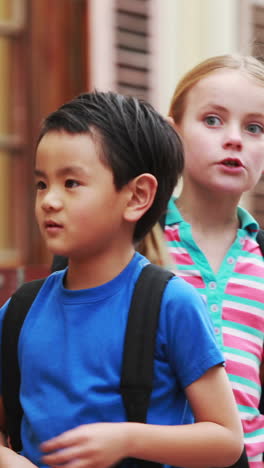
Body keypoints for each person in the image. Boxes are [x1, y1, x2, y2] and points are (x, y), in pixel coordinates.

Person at [0, 91, 243, 468]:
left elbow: (226, 439)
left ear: (137, 197)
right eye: (42, 184)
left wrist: (127, 437)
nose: (49, 200)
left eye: (71, 183)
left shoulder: (170, 303)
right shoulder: (20, 310)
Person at [162, 54, 264, 468]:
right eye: (212, 120)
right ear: (173, 134)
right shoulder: (132, 245)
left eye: (255, 127)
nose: (235, 139)